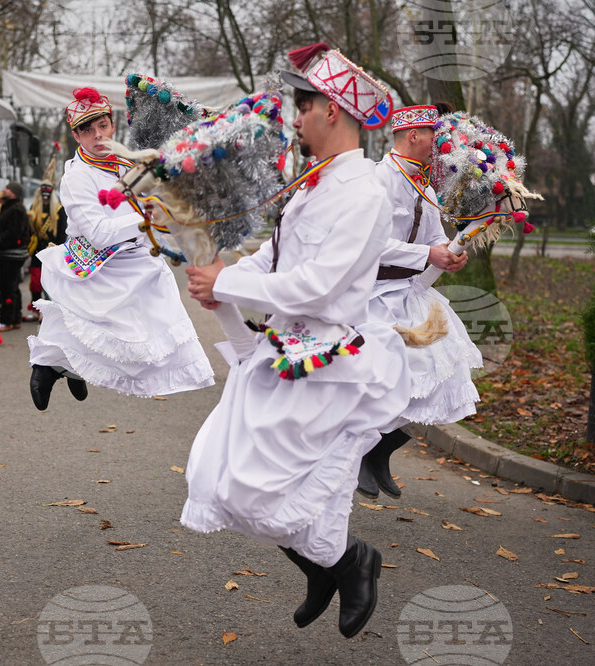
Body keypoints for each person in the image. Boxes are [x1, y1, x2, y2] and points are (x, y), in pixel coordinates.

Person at [182, 43, 411, 638]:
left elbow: (320, 285)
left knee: (262, 487)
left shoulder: (363, 192)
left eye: (304, 104)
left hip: (326, 361)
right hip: (284, 351)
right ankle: (327, 564)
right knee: (220, 478)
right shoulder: (314, 184)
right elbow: (274, 258)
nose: (297, 116)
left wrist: (228, 281)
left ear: (332, 110)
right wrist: (226, 283)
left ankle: (348, 560)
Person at [27, 86, 214, 408]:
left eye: (102, 126)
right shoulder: (76, 177)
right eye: (87, 131)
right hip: (96, 264)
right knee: (96, 328)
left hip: (136, 256)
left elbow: (156, 204)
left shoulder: (129, 160)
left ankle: (72, 368)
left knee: (154, 323)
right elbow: (99, 233)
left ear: (112, 125)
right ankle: (49, 367)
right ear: (77, 136)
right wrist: (146, 218)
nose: (97, 136)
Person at [357, 103, 480, 499]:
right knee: (382, 381)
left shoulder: (424, 185)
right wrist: (429, 256)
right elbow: (370, 243)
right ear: (414, 136)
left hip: (410, 294)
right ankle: (357, 453)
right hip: (370, 297)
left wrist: (449, 251)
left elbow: (432, 238)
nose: (440, 146)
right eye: (434, 137)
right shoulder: (375, 181)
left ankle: (379, 450)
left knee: (436, 380)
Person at [23, 178, 67, 323]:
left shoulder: (59, 210)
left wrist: (58, 250)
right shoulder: (34, 209)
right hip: (37, 251)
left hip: (52, 250)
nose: (45, 194)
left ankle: (51, 313)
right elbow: (28, 231)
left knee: (51, 284)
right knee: (35, 282)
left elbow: (62, 233)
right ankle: (36, 311)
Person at [0, 181, 30, 331]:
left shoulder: (15, 209)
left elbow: (12, 234)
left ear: (13, 193)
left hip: (11, 255)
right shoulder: (11, 207)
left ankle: (6, 320)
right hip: (12, 254)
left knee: (7, 288)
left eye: (7, 188)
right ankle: (15, 319)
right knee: (13, 288)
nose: (4, 190)